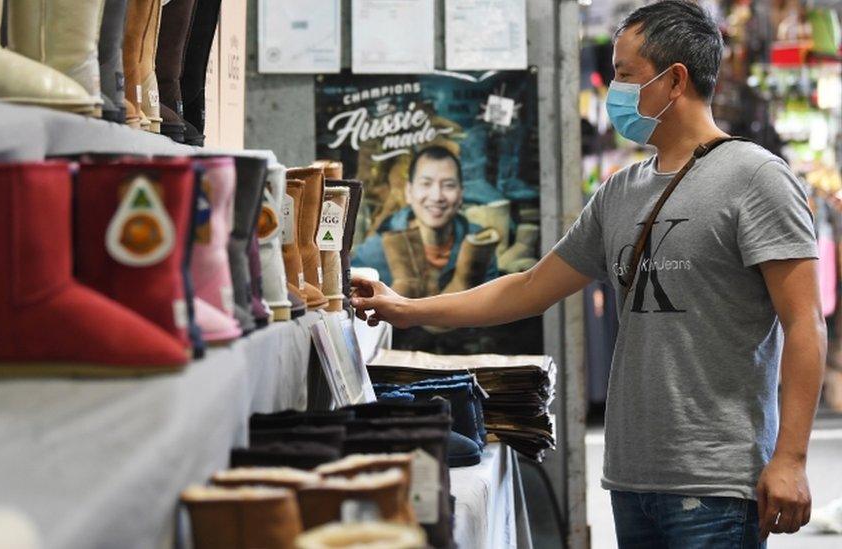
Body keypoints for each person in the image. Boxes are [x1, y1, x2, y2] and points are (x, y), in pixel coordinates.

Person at [351, 1, 825, 547]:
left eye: (625, 75)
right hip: (631, 478)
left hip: (717, 484)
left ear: (674, 81)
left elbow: (804, 323)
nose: (613, 91)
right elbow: (529, 288)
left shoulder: (756, 179)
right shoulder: (621, 192)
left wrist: (789, 457)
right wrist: (406, 308)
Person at [352, 145, 497, 294]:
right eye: (426, 184)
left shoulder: (480, 244)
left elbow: (491, 308)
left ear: (461, 194)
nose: (437, 196)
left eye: (448, 185)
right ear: (409, 192)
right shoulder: (375, 250)